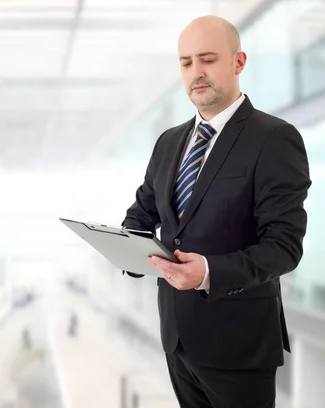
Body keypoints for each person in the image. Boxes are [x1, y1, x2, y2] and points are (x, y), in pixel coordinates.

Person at [122, 15, 311, 408]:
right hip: (177, 337)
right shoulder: (169, 142)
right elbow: (142, 212)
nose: (196, 73)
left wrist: (208, 272)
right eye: (186, 62)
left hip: (238, 345)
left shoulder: (274, 139)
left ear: (238, 62)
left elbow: (284, 246)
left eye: (207, 59)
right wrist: (125, 247)